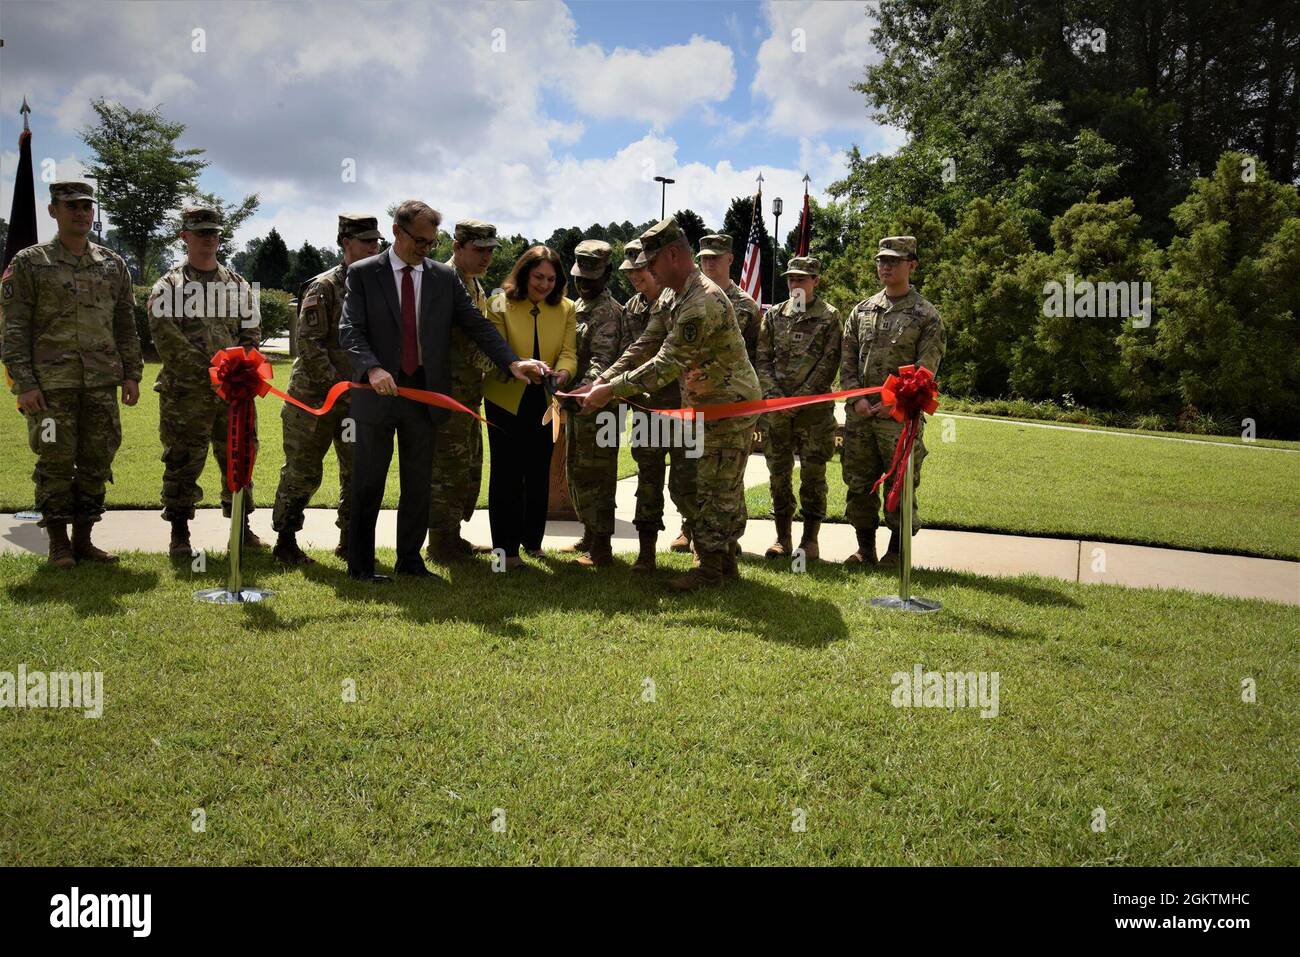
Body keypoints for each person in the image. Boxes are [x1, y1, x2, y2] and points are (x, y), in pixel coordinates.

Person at [338, 200, 547, 584]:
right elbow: (350, 329)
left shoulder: (441, 278)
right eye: (419, 240)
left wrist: (512, 362)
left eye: (432, 242)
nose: (425, 248)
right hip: (377, 394)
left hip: (426, 395)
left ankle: (410, 561)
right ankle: (361, 566)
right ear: (397, 232)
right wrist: (372, 367)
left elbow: (476, 325)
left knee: (418, 482)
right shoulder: (365, 273)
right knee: (369, 482)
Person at [575, 218, 760, 591]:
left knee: (714, 489)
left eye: (653, 262)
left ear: (673, 255)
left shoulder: (700, 301)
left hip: (728, 409)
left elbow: (667, 364)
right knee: (705, 487)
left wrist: (609, 391)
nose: (649, 271)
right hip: (704, 407)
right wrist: (602, 379)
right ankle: (721, 567)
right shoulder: (673, 294)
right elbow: (644, 344)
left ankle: (710, 572)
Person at [0, 181, 142, 568]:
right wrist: (24, 383)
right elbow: (13, 327)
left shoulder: (112, 264)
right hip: (51, 387)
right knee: (55, 461)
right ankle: (58, 543)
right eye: (71, 207)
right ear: (53, 211)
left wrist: (132, 375)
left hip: (100, 383)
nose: (81, 213)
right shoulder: (30, 262)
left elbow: (125, 323)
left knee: (98, 460)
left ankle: (84, 540)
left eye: (86, 207)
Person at [147, 205, 261, 557]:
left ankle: (241, 528)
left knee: (239, 457)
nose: (209, 238)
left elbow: (251, 331)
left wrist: (239, 372)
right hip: (186, 395)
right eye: (201, 233)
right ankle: (180, 533)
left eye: (213, 232)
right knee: (182, 460)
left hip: (233, 395)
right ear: (185, 237)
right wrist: (210, 376)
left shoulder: (238, 284)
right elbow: (167, 340)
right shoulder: (169, 286)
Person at [271, 213, 381, 565]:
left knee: (357, 470)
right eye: (366, 241)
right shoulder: (324, 287)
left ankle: (350, 541)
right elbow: (309, 345)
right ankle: (285, 541)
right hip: (313, 399)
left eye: (377, 241)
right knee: (302, 470)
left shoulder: (377, 288)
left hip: (357, 400)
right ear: (346, 243)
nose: (374, 247)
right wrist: (336, 386)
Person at [840, 236, 945, 567]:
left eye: (894, 261)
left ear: (912, 265)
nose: (885, 266)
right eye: (881, 261)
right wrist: (857, 398)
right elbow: (847, 361)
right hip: (861, 416)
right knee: (858, 483)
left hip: (899, 419)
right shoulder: (862, 311)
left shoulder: (926, 316)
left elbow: (925, 371)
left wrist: (893, 402)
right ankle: (865, 548)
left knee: (900, 485)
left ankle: (897, 551)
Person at [481, 245, 577, 570]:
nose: (545, 284)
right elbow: (495, 348)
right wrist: (519, 364)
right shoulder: (498, 303)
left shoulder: (567, 308)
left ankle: (532, 543)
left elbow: (568, 351)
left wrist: (564, 371)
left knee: (538, 473)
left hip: (543, 401)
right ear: (524, 273)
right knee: (506, 474)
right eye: (538, 277)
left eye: (551, 279)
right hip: (505, 398)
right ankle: (503, 553)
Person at [608, 239, 696, 572]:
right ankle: (646, 552)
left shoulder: (681, 302)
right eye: (629, 272)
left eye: (640, 270)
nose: (634, 277)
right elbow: (634, 351)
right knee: (648, 480)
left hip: (683, 406)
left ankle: (694, 537)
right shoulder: (631, 308)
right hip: (647, 407)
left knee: (687, 479)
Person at [756, 256, 841, 562]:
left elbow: (829, 363)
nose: (795, 284)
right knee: (778, 475)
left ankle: (810, 540)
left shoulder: (830, 317)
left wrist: (801, 398)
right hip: (777, 412)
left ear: (815, 281)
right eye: (792, 279)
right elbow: (762, 360)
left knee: (813, 477)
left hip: (814, 414)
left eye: (802, 279)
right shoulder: (774, 315)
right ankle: (782, 538)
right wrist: (777, 397)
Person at [426, 219, 499, 562]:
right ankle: (441, 542)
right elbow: (462, 339)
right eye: (479, 250)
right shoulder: (445, 281)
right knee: (447, 468)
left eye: (490, 251)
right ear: (457, 247)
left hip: (467, 394)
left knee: (465, 465)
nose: (487, 257)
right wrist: (508, 366)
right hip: (448, 393)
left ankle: (451, 536)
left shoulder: (472, 283)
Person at [562, 240, 623, 567]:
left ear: (608, 274)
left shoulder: (608, 313)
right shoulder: (578, 307)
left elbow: (602, 360)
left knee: (598, 475)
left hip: (600, 408)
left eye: (591, 277)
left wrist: (581, 391)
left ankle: (601, 548)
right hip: (580, 407)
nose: (584, 283)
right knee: (578, 471)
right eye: (579, 277)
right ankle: (589, 534)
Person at [696, 233, 762, 367]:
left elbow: (756, 353)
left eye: (715, 257)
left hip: (730, 382)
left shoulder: (746, 305)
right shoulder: (688, 298)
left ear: (730, 259)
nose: (709, 263)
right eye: (705, 258)